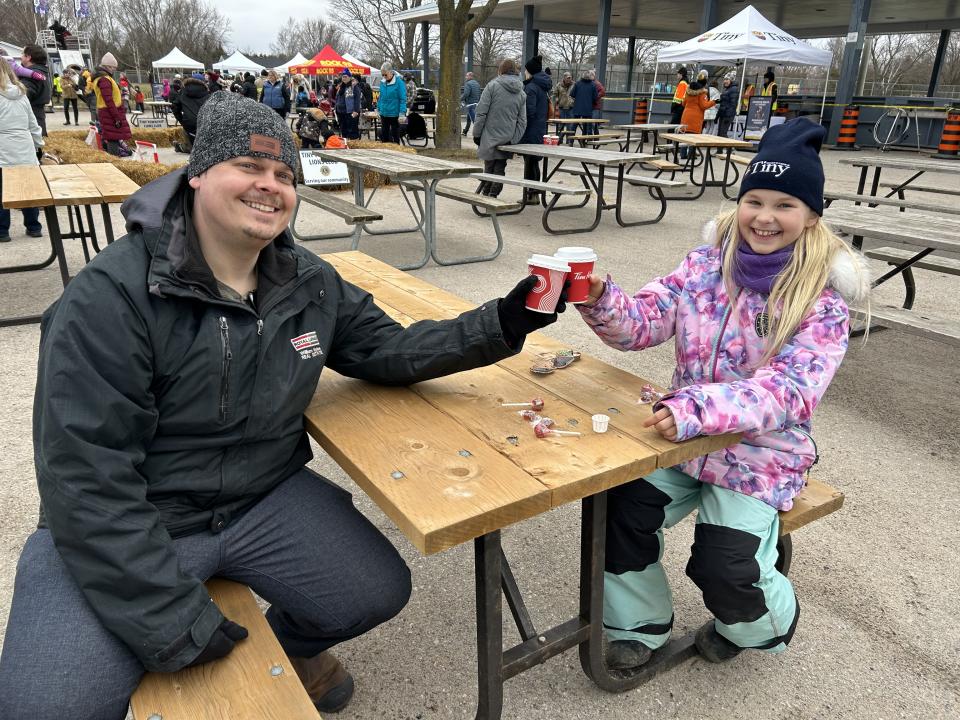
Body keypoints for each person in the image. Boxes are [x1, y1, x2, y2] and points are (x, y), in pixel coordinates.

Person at [0, 91, 567, 718]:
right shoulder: (110, 296)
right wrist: (172, 620)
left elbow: (390, 351)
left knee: (372, 590)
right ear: (196, 176)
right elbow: (85, 477)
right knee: (41, 706)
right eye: (249, 166)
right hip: (138, 513)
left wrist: (506, 321)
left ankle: (298, 653)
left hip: (257, 498)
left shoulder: (306, 279)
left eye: (284, 174)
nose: (269, 185)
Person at [575, 119, 869, 674]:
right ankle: (638, 624)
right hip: (684, 439)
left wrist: (696, 408)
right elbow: (641, 325)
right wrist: (597, 297)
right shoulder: (704, 265)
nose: (764, 216)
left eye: (785, 204)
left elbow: (790, 391)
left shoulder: (823, 301)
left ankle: (763, 625)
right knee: (618, 510)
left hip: (760, 453)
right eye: (754, 199)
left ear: (811, 215)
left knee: (725, 567)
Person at [0, 59, 44, 242]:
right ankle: (34, 227)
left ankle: (2, 231)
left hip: (3, 147)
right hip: (25, 146)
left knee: (2, 191)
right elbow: (33, 123)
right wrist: (38, 144)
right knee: (28, 189)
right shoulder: (21, 94)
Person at [472, 58, 526, 198]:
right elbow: (522, 121)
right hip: (507, 137)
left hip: (489, 135)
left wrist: (477, 134)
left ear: (500, 70)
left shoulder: (492, 86)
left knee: (489, 167)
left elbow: (481, 112)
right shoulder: (521, 92)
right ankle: (493, 194)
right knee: (500, 167)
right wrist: (513, 140)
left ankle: (486, 194)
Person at [519, 55, 551, 203]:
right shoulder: (543, 86)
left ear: (529, 71)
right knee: (534, 161)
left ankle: (530, 194)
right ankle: (534, 193)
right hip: (540, 127)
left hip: (531, 129)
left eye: (525, 70)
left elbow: (528, 111)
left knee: (530, 161)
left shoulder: (531, 87)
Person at [93, 53, 132, 157]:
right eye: (113, 67)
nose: (114, 70)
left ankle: (113, 159)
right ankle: (113, 160)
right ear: (107, 66)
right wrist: (116, 117)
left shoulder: (104, 78)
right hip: (109, 112)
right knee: (112, 138)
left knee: (113, 137)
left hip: (108, 111)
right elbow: (108, 100)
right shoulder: (104, 79)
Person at [170, 75, 210, 152]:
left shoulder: (183, 91)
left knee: (193, 149)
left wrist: (182, 120)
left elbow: (174, 107)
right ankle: (184, 146)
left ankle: (183, 147)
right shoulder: (206, 92)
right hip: (205, 123)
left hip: (189, 124)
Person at [20, 44, 51, 136]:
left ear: (28, 57)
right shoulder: (40, 72)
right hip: (37, 119)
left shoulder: (31, 75)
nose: (20, 57)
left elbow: (22, 95)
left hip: (31, 124)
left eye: (22, 54)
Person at [377, 61, 406, 144]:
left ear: (391, 72)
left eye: (385, 74)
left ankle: (397, 151)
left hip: (394, 114)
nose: (384, 76)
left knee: (395, 135)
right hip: (384, 113)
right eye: (382, 75)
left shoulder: (399, 83)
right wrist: (378, 109)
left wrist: (402, 112)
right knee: (384, 135)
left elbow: (402, 99)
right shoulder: (382, 82)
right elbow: (381, 97)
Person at [569, 70, 598, 144]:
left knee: (574, 125)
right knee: (586, 125)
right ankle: (583, 140)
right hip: (588, 108)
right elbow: (595, 97)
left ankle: (571, 141)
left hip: (577, 108)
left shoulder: (577, 83)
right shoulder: (593, 85)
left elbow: (572, 94)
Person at [335, 69, 363, 140]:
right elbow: (337, 98)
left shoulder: (354, 86)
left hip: (350, 112)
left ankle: (353, 146)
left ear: (350, 77)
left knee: (352, 131)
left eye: (346, 76)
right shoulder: (341, 87)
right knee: (344, 131)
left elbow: (357, 99)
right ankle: (345, 145)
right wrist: (336, 109)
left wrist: (356, 110)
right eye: (343, 76)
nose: (344, 78)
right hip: (341, 112)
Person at [716, 72, 738, 138]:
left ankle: (729, 148)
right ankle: (720, 148)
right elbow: (723, 104)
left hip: (728, 115)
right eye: (724, 79)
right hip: (723, 114)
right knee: (719, 134)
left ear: (731, 80)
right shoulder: (727, 89)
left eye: (727, 79)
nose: (725, 81)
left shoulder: (734, 89)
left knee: (723, 134)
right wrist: (717, 116)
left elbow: (733, 104)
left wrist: (728, 117)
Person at [460, 70, 481, 136]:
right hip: (476, 103)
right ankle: (465, 131)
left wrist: (459, 99)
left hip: (470, 104)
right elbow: (479, 93)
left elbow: (466, 94)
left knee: (474, 121)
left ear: (470, 76)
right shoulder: (477, 83)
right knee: (469, 118)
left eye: (466, 76)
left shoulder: (468, 84)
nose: (466, 77)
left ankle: (480, 134)